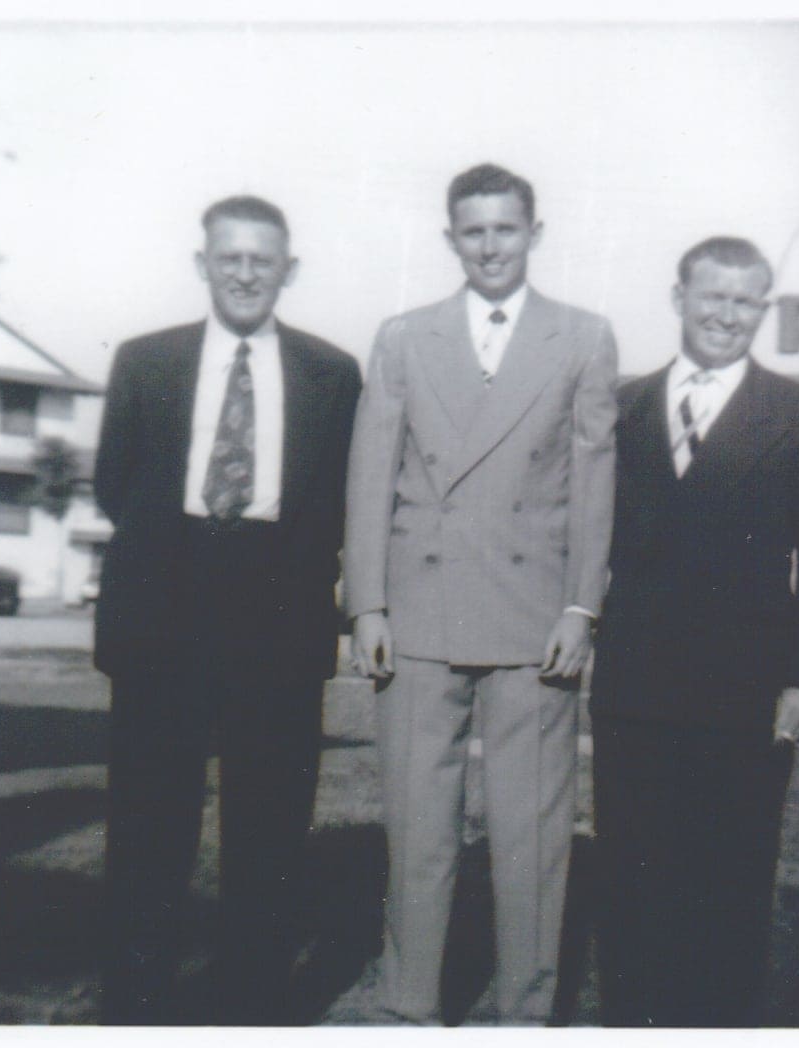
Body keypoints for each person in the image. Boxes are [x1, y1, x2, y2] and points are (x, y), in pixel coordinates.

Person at [343, 163, 618, 1024]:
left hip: (535, 624)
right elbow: (369, 475)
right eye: (474, 231)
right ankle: (408, 1006)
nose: (491, 246)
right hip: (417, 622)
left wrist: (582, 607)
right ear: (450, 238)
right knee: (419, 835)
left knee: (530, 843)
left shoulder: (582, 337)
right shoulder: (402, 337)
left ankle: (526, 1014)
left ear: (535, 233)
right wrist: (368, 606)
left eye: (506, 229)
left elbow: (594, 480)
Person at [93, 195, 361, 1025]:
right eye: (230, 257)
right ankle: (136, 1005)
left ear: (289, 269)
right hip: (162, 615)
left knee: (270, 830)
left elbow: (336, 502)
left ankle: (250, 1006)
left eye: (263, 259)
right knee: (148, 824)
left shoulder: (332, 372)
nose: (246, 273)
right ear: (203, 262)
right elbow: (117, 485)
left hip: (279, 619)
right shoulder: (146, 361)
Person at [591, 236, 799, 1027]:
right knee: (631, 881)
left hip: (743, 697)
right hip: (634, 691)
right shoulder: (621, 405)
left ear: (763, 311)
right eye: (712, 297)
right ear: (678, 298)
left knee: (729, 884)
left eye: (745, 302)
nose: (726, 315)